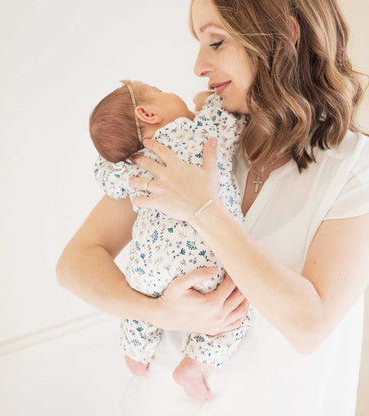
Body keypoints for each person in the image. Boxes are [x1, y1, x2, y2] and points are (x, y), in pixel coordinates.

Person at [56, 0, 369, 414]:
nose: (199, 66)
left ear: (288, 34)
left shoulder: (354, 167)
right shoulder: (190, 137)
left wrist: (204, 209)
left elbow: (309, 326)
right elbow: (75, 263)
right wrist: (162, 312)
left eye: (217, 42)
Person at [90, 79, 254, 401]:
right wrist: (208, 101)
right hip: (203, 256)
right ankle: (194, 365)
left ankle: (136, 354)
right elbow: (229, 122)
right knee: (234, 307)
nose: (173, 94)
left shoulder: (136, 163)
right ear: (148, 112)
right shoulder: (196, 133)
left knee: (140, 307)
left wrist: (116, 155)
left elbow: (107, 176)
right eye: (161, 92)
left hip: (146, 262)